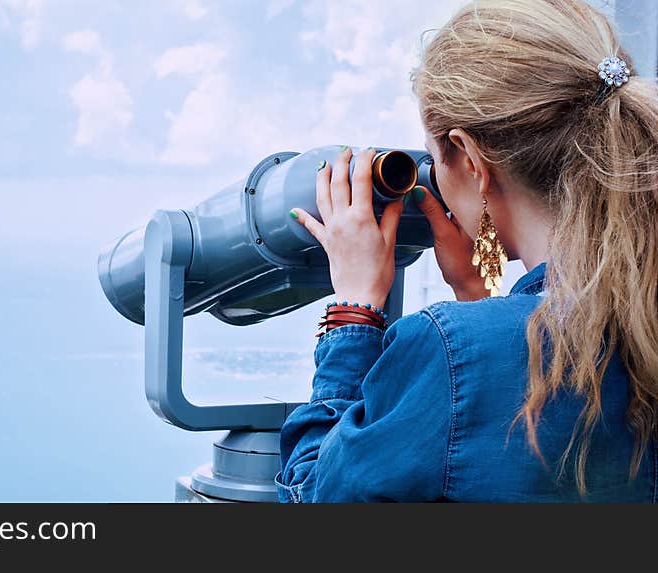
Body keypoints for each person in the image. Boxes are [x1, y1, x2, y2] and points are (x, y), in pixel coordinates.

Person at [278, 0, 657, 502]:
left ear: (472, 158)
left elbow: (314, 497)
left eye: (436, 161)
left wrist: (356, 308)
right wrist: (479, 304)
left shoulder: (448, 349)